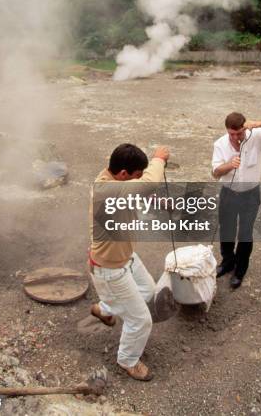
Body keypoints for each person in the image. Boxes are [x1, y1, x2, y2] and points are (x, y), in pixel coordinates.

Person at [89, 143, 170, 381]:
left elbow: (135, 194)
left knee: (149, 289)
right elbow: (146, 184)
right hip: (110, 268)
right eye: (136, 175)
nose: (137, 180)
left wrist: (157, 203)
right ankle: (128, 361)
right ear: (124, 174)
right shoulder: (107, 190)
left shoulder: (114, 181)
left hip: (126, 257)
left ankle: (103, 309)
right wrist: (159, 159)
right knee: (141, 320)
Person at [212, 112, 261, 289]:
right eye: (232, 134)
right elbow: (215, 172)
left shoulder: (257, 136)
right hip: (228, 193)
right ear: (227, 131)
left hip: (250, 194)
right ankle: (227, 261)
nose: (236, 137)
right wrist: (229, 165)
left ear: (245, 127)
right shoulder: (220, 144)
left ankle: (240, 270)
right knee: (227, 229)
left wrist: (260, 122)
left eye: (239, 133)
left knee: (245, 233)